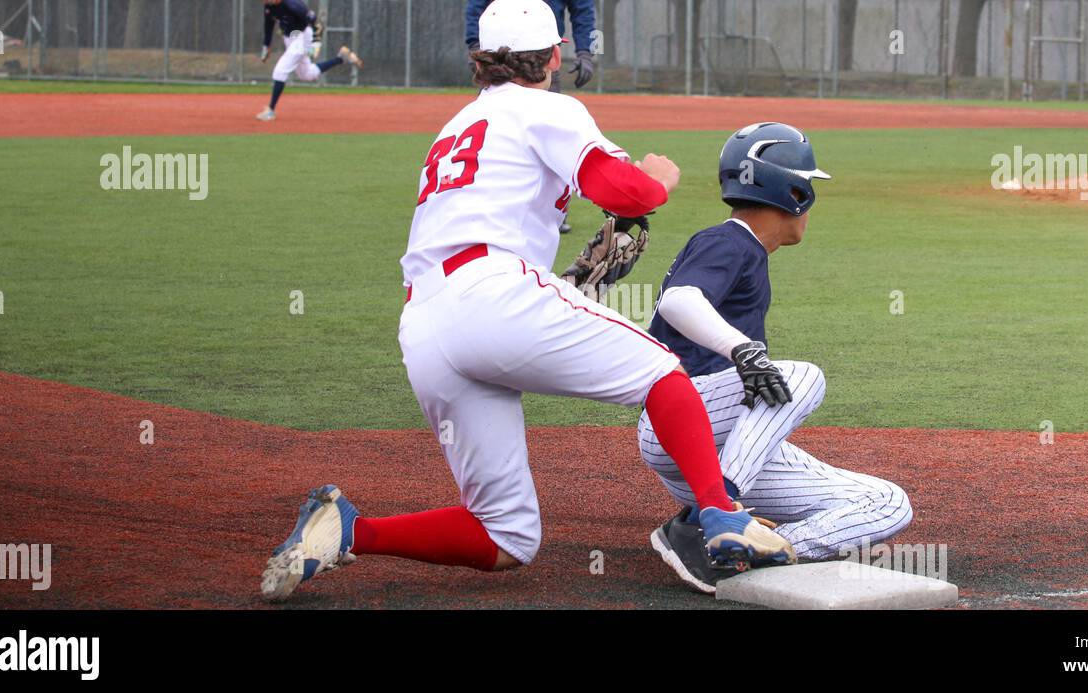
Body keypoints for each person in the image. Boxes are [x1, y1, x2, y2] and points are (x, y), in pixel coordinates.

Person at [259, 0, 793, 603]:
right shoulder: (545, 105)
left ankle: (350, 532)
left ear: (480, 60)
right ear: (555, 55)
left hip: (425, 324)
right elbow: (625, 188)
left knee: (506, 535)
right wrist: (656, 180)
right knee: (665, 374)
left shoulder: (456, 124)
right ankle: (722, 516)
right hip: (493, 292)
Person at [638, 122, 914, 593]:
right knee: (803, 376)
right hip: (683, 423)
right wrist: (743, 351)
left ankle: (758, 546)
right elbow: (678, 300)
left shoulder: (743, 249)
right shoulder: (728, 240)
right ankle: (719, 511)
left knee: (888, 502)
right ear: (794, 192)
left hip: (722, 444)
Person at [466, 0, 597, 233]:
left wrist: (588, 51)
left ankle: (551, 211)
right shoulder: (570, 109)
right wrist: (475, 43)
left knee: (501, 136)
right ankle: (486, 206)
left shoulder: (462, 119)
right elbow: (476, 5)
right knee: (510, 137)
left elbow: (585, 10)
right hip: (507, 57)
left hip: (536, 56)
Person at [255, 0, 362, 122]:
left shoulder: (293, 5)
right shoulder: (269, 6)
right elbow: (268, 25)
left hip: (301, 36)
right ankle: (341, 58)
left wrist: (315, 44)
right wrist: (266, 46)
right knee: (307, 74)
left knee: (280, 71)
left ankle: (270, 111)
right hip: (290, 38)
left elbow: (318, 25)